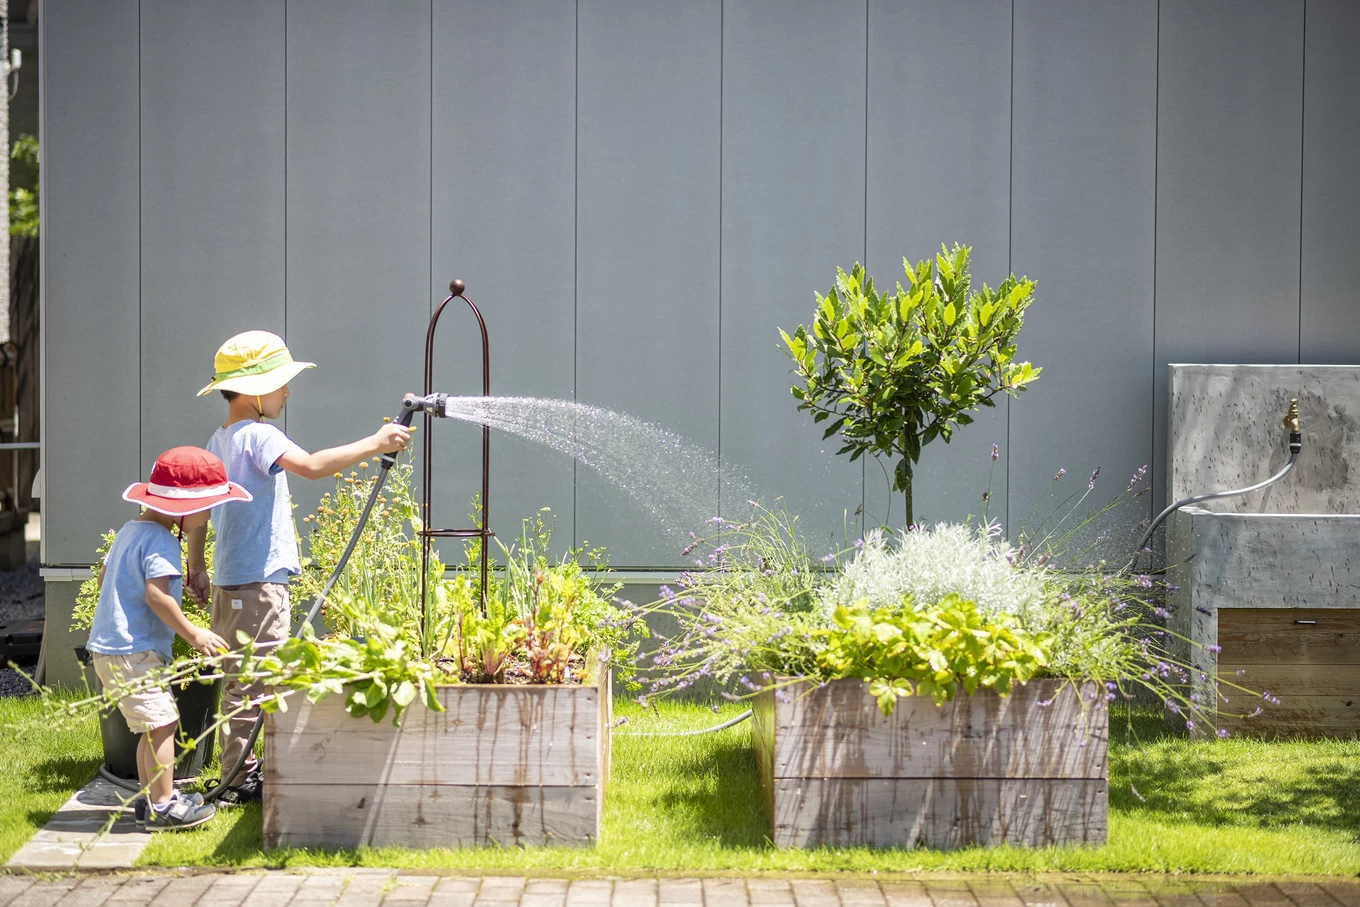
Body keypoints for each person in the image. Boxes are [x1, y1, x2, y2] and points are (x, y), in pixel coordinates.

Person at [188, 330, 410, 804]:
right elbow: (309, 466)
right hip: (259, 583)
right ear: (253, 390)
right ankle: (239, 781)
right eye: (281, 384)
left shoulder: (220, 437)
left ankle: (238, 772)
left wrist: (196, 566)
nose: (287, 392)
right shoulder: (260, 435)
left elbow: (200, 510)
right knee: (257, 681)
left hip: (230, 581)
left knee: (240, 679)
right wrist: (375, 442)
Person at [88, 446, 250, 830]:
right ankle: (164, 807)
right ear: (182, 507)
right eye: (207, 506)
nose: (209, 515)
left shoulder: (131, 531)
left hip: (113, 648)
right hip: (135, 651)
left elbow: (102, 579)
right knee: (163, 725)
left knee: (153, 726)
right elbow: (156, 595)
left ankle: (152, 799)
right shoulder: (162, 541)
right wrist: (195, 633)